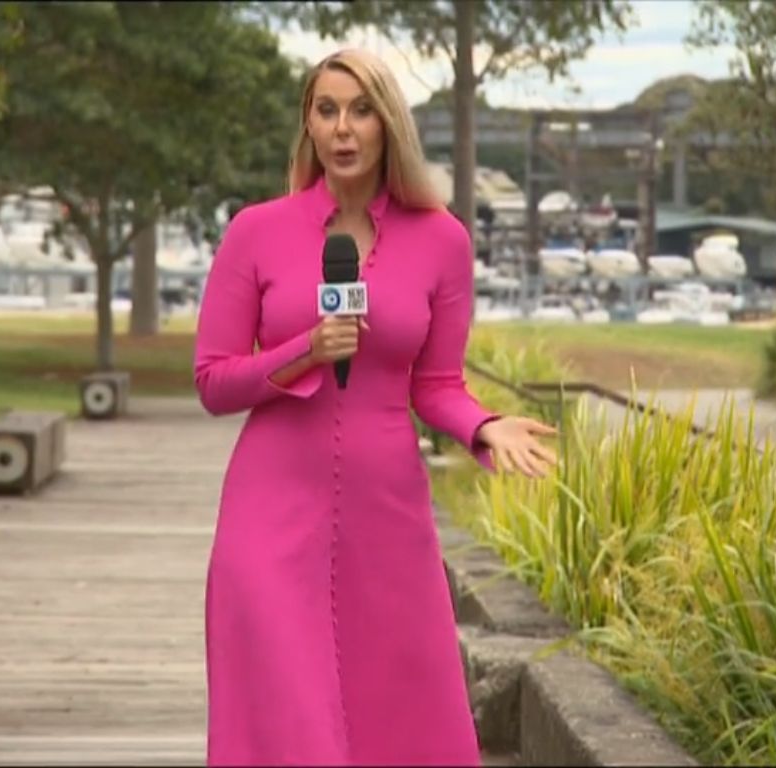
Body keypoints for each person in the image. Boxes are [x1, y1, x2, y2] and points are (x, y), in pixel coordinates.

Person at [193, 48, 558, 766]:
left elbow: (437, 385)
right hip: (269, 506)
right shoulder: (256, 231)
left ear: (389, 124)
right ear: (308, 124)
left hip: (386, 511)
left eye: (361, 110)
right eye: (326, 110)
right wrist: (303, 350)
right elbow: (213, 381)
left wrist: (485, 426)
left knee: (395, 713)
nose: (343, 128)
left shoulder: (442, 240)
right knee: (286, 711)